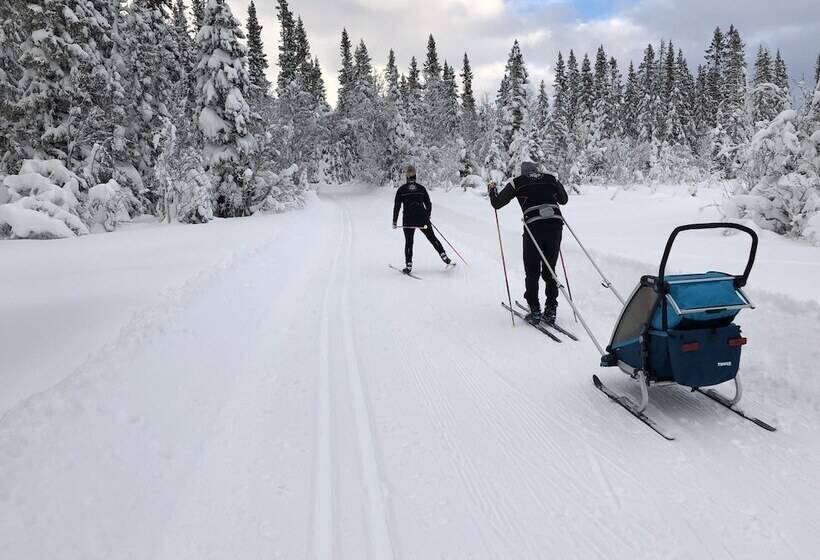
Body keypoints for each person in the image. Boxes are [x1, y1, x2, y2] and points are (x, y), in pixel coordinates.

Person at [489, 162, 568, 325]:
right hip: (555, 225)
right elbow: (564, 200)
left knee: (532, 271)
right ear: (537, 170)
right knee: (549, 270)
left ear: (523, 172)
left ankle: (535, 310)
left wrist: (492, 189)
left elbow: (497, 203)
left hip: (534, 227)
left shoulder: (517, 181)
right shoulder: (550, 178)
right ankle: (551, 309)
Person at [392, 165, 452, 274]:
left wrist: (394, 221)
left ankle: (408, 265)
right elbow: (428, 204)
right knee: (432, 238)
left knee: (409, 242)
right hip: (422, 219)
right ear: (415, 176)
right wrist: (427, 215)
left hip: (408, 220)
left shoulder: (401, 190)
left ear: (406, 176)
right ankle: (444, 256)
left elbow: (397, 206)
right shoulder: (421, 188)